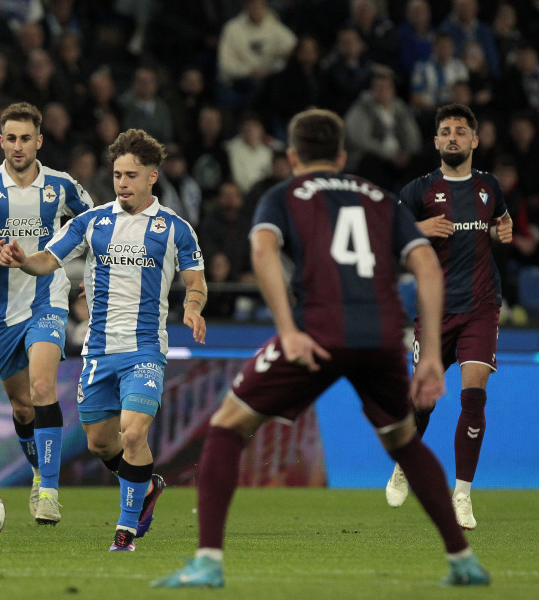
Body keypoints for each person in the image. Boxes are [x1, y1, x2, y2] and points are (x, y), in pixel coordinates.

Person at [152, 109, 489, 588]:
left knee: (227, 427)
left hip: (317, 332)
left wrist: (286, 328)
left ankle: (207, 562)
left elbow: (264, 251)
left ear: (291, 156)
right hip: (382, 337)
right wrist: (430, 354)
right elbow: (427, 267)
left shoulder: (283, 194)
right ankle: (463, 561)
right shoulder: (380, 198)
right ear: (342, 155)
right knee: (403, 441)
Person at [0, 128, 208, 552]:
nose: (122, 184)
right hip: (98, 352)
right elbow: (48, 259)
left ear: (152, 177)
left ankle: (125, 531)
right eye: (116, 175)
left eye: (131, 175)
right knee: (101, 443)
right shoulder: (92, 222)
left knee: (133, 434)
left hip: (146, 350)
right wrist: (24, 260)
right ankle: (146, 487)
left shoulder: (175, 229)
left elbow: (195, 280)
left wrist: (193, 306)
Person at [0, 102, 93, 525]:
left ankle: (49, 492)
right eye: (11, 138)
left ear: (39, 141)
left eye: (26, 138)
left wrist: (94, 275)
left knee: (44, 386)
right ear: (1, 141)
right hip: (1, 312)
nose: (18, 145)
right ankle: (35, 471)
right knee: (22, 407)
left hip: (47, 298)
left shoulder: (62, 187)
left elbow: (100, 225)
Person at [385, 103, 513, 530]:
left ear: (475, 140)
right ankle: (403, 462)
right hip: (434, 308)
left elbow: (501, 221)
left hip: (481, 306)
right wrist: (419, 230)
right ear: (436, 141)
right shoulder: (418, 191)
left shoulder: (489, 186)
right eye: (446, 131)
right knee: (426, 400)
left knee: (474, 395)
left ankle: (462, 494)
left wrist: (503, 231)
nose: (453, 136)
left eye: (461, 130)